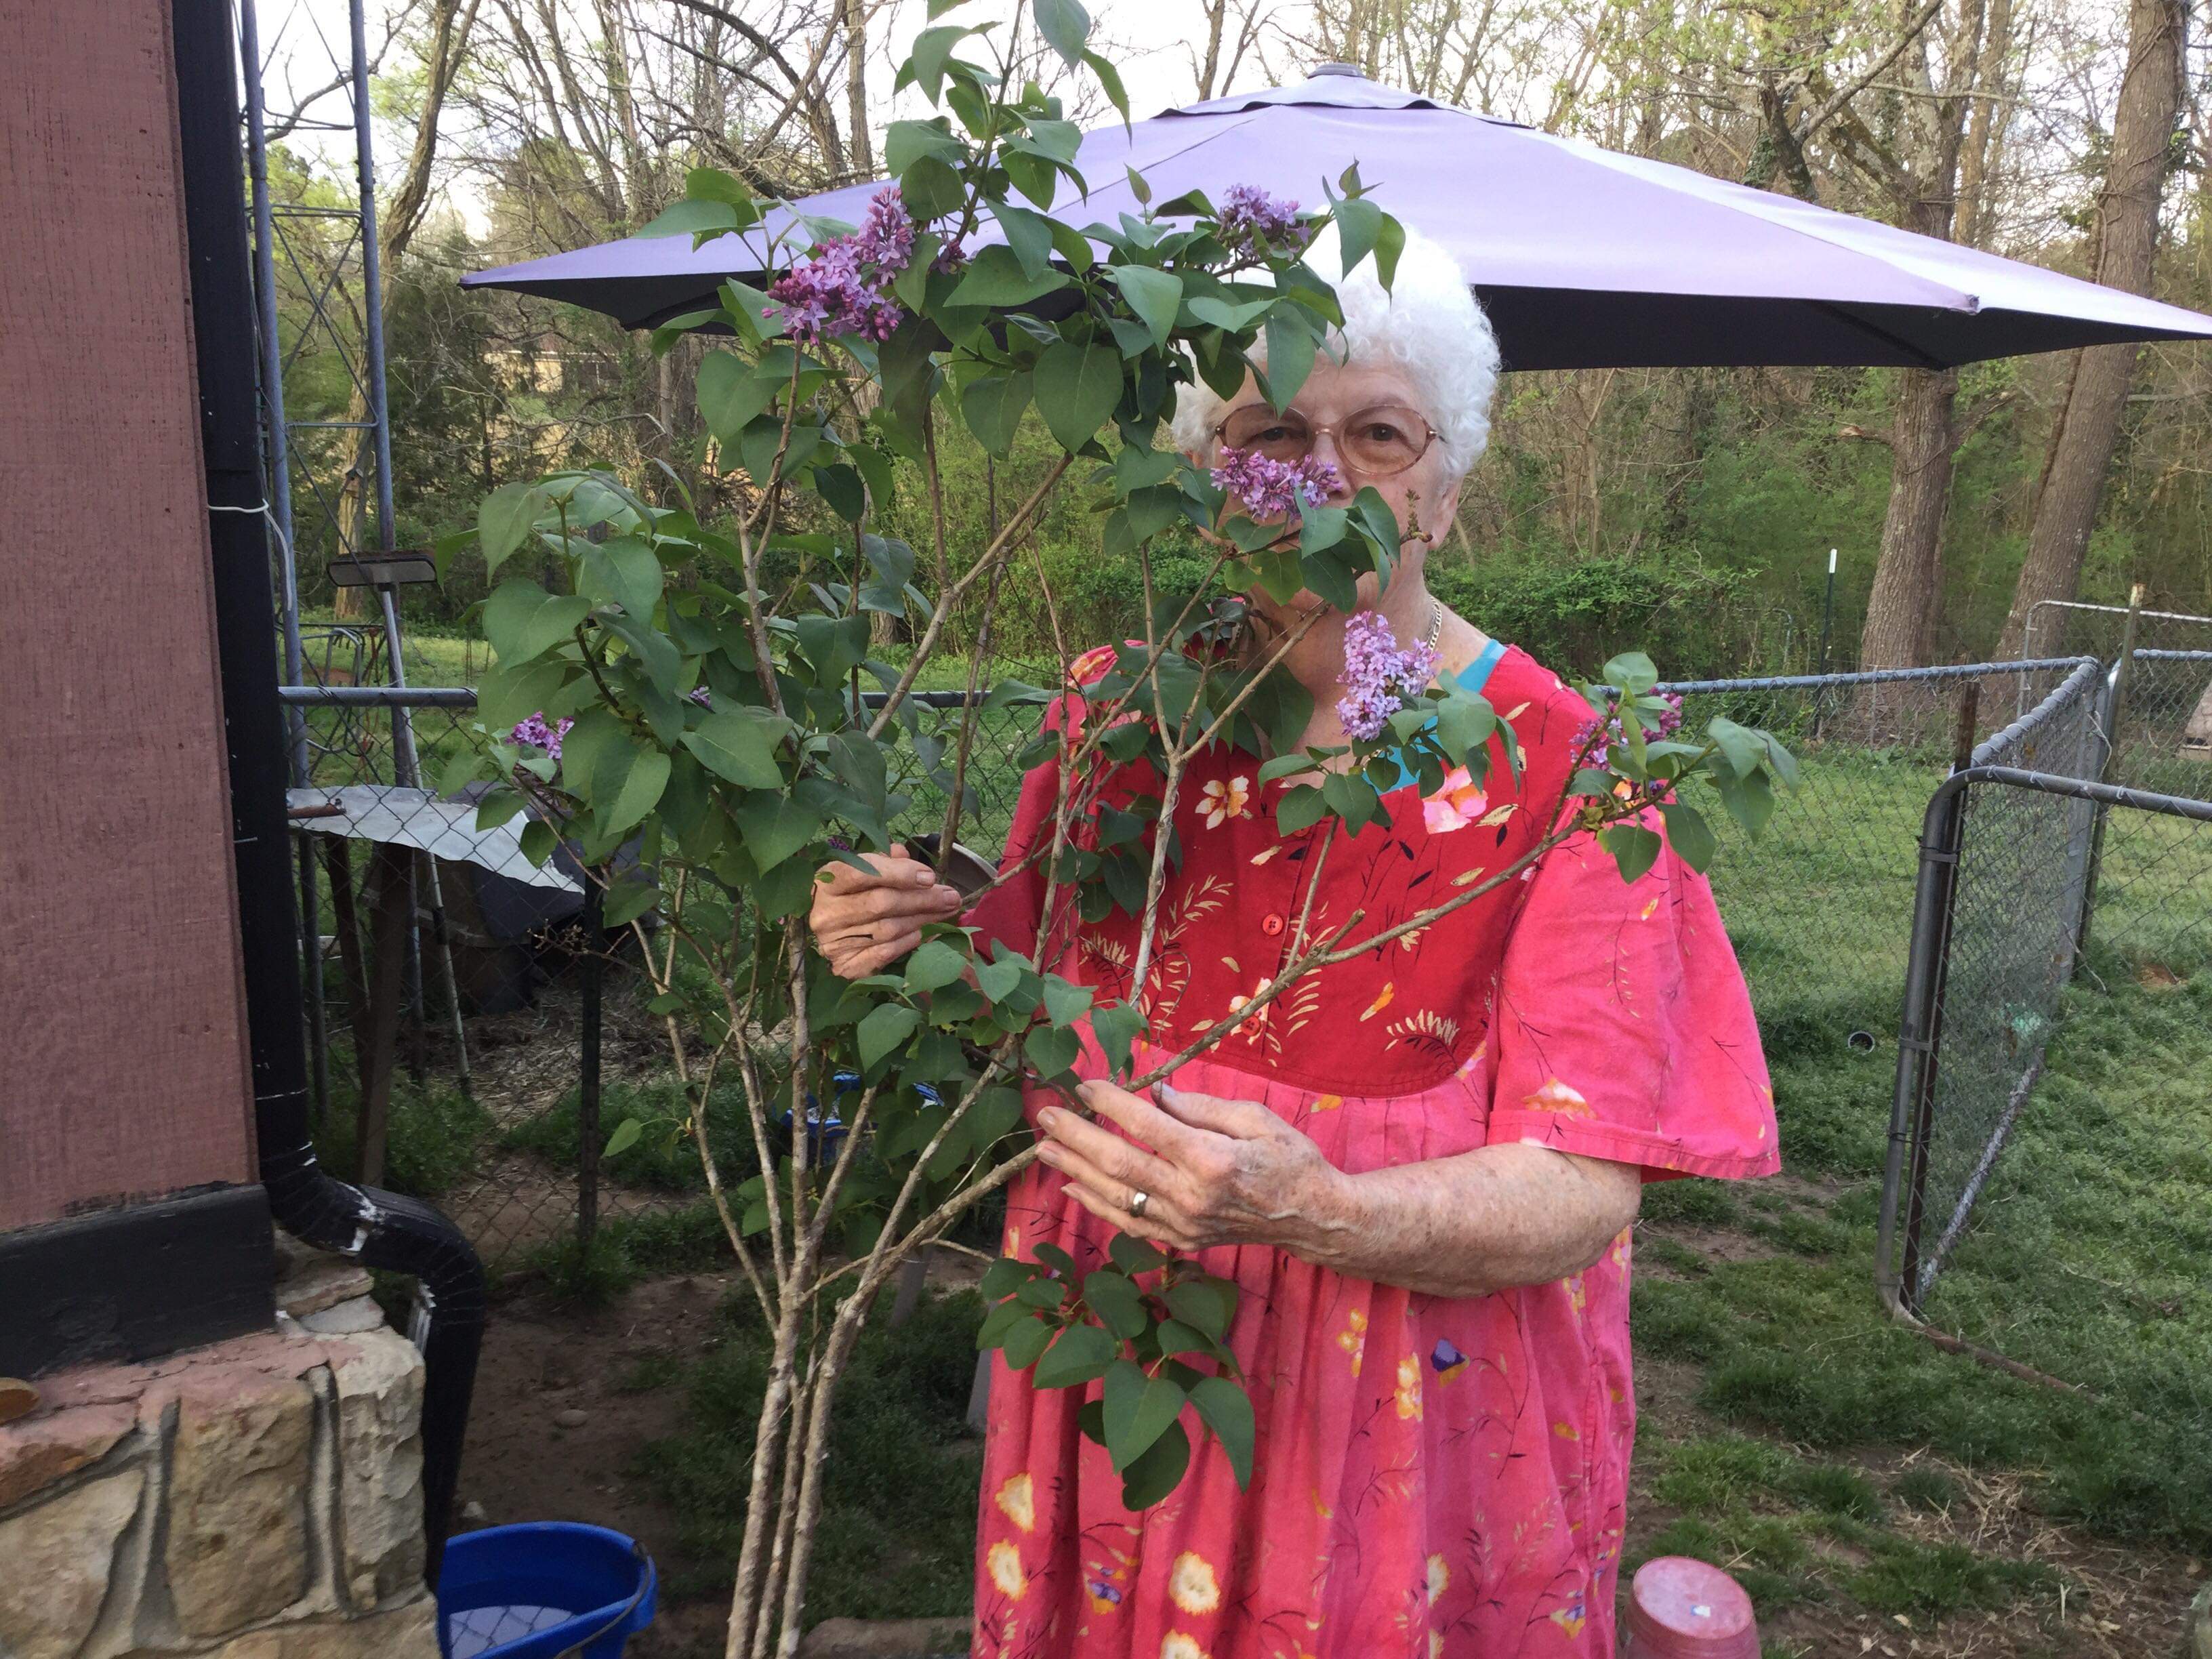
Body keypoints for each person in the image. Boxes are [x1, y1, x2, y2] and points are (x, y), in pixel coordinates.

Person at [807, 227, 1779, 1658]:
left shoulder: (1573, 769)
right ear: (1209, 483)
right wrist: (923, 913)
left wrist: (1314, 1208)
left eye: (1377, 433)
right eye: (1271, 433)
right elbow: (1039, 964)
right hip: (1132, 1335)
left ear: (1443, 489)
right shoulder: (1126, 713)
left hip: (1410, 1383)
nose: (1323, 475)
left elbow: (1586, 1184)